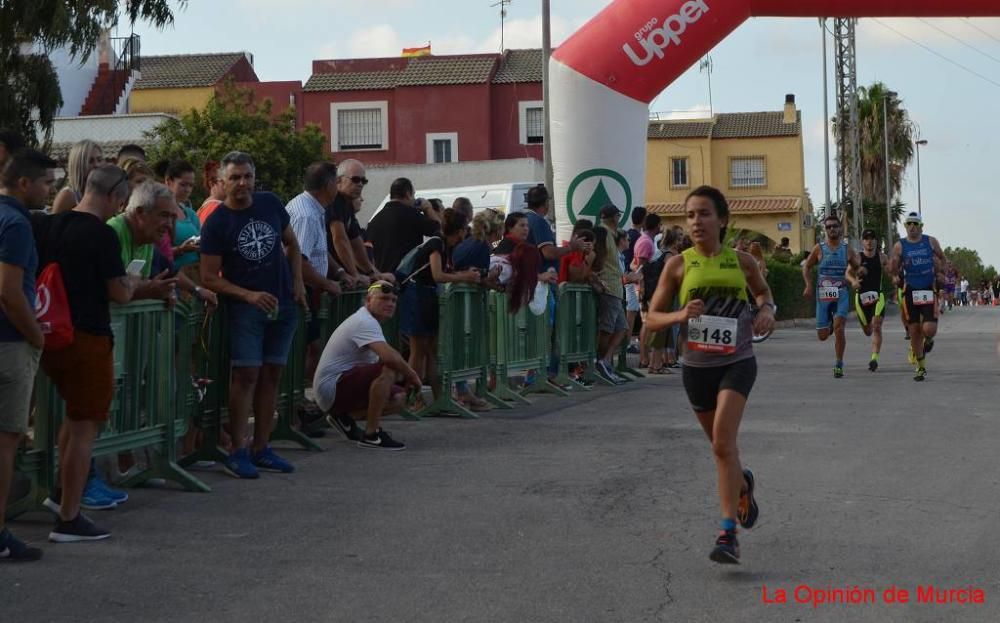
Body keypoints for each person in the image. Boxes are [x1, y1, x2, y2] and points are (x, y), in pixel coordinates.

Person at [645, 185, 774, 565]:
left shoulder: (742, 262)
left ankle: (727, 534)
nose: (696, 222)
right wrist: (680, 316)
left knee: (722, 443)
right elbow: (652, 318)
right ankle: (742, 484)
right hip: (696, 368)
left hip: (737, 362)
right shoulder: (678, 264)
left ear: (722, 220)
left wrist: (767, 310)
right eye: (690, 215)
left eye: (704, 213)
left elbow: (764, 294)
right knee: (722, 451)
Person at [38, 164, 138, 542]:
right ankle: (69, 517)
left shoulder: (51, 224)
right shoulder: (101, 234)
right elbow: (119, 292)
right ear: (114, 195)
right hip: (88, 338)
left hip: (51, 334)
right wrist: (133, 283)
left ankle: (63, 495)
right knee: (85, 427)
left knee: (71, 419)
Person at [199, 151, 306, 479]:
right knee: (245, 376)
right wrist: (248, 295)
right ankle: (237, 450)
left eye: (247, 176)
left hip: (283, 304)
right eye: (234, 178)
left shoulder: (271, 203)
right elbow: (207, 276)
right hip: (245, 310)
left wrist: (298, 282)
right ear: (222, 182)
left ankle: (263, 446)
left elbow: (292, 244)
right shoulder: (217, 222)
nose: (242, 183)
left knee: (273, 374)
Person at [0, 149, 55, 560]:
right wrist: (35, 334)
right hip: (9, 342)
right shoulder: (16, 223)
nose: (49, 192)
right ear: (24, 183)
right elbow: (9, 290)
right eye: (46, 184)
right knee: (6, 440)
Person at [315, 282, 420, 449]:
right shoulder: (364, 321)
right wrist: (412, 375)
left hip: (338, 389)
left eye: (394, 300)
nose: (390, 303)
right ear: (368, 300)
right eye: (384, 298)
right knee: (390, 367)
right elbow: (389, 358)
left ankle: (344, 417)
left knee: (399, 399)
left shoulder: (371, 321)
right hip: (331, 388)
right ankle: (371, 434)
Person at [399, 209, 481, 411]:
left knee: (433, 350)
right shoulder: (436, 244)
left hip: (427, 296)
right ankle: (413, 398)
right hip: (417, 295)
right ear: (460, 231)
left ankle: (440, 398)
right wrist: (465, 277)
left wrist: (462, 273)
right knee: (418, 350)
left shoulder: (444, 245)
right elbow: (437, 275)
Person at [285, 162, 345, 416]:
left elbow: (318, 251)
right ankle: (296, 404)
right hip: (303, 292)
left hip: (311, 289)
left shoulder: (312, 208)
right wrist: (327, 284)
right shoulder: (307, 214)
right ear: (329, 185)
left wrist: (340, 273)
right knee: (304, 349)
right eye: (338, 182)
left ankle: (301, 402)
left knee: (311, 346)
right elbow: (299, 259)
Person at [802, 213, 861, 378]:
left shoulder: (846, 249)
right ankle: (827, 324)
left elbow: (857, 267)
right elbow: (806, 267)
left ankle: (839, 363)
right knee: (822, 336)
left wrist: (859, 274)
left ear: (840, 228)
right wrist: (808, 285)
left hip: (841, 293)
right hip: (823, 295)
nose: (832, 229)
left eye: (835, 226)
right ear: (825, 229)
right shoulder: (819, 249)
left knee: (839, 329)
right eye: (828, 227)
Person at [890, 212, 945, 381]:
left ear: (921, 226)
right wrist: (895, 274)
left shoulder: (930, 241)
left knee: (929, 329)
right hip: (910, 291)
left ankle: (928, 339)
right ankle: (921, 367)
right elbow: (894, 267)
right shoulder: (900, 245)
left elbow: (943, 259)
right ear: (905, 226)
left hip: (928, 289)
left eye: (915, 223)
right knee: (914, 331)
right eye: (909, 224)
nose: (912, 227)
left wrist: (940, 272)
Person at [326, 159, 393, 287]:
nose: (360, 184)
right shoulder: (334, 201)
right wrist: (355, 274)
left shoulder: (347, 205)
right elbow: (339, 239)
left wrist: (372, 272)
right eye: (355, 180)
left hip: (339, 278)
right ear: (339, 180)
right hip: (328, 276)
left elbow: (356, 242)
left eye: (364, 181)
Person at [367, 177, 442, 274]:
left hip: (383, 279)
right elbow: (439, 230)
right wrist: (428, 208)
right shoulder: (411, 214)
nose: (414, 199)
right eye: (413, 195)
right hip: (406, 279)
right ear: (408, 194)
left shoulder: (375, 220)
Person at [593, 204, 629, 385]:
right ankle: (599, 360)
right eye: (617, 216)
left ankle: (605, 360)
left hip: (615, 287)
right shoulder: (603, 232)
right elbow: (598, 257)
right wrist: (598, 277)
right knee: (606, 327)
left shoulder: (611, 234)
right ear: (615, 217)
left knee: (621, 327)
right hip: (608, 286)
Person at [846, 229, 889, 371]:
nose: (869, 241)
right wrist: (853, 282)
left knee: (876, 325)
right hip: (861, 298)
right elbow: (848, 273)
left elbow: (891, 271)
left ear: (876, 241)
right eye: (866, 238)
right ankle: (873, 352)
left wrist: (896, 277)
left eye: (872, 238)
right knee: (867, 331)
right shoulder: (857, 258)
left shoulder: (882, 257)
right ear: (862, 241)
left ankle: (874, 359)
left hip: (878, 296)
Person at [159, 160, 201, 277]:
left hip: (195, 275)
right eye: (183, 184)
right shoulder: (158, 214)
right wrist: (181, 249)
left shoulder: (190, 213)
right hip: (173, 276)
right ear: (168, 181)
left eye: (190, 185)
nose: (187, 189)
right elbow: (155, 253)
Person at [632, 213, 661, 369]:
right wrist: (643, 289)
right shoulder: (646, 242)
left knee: (648, 323)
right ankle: (644, 358)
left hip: (647, 287)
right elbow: (641, 267)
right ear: (656, 226)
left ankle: (646, 357)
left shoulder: (647, 241)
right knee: (647, 323)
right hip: (645, 288)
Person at [51, 140, 103, 214]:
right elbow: (55, 224)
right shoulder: (67, 196)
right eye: (90, 161)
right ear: (78, 164)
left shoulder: (100, 193)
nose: (96, 165)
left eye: (99, 160)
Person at [623, 206, 647, 353]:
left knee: (631, 310)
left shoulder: (628, 234)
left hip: (627, 277)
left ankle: (628, 341)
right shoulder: (638, 238)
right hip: (631, 279)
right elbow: (635, 261)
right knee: (631, 311)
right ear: (643, 219)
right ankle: (627, 343)